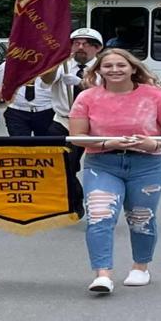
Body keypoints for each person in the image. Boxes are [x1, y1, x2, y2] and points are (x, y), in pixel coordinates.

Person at [66, 48, 161, 293]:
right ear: (98, 71)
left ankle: (140, 267)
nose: (115, 70)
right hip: (102, 164)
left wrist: (155, 143)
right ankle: (102, 274)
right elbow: (77, 136)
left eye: (121, 65)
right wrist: (107, 143)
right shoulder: (87, 97)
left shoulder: (155, 95)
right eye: (108, 66)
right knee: (100, 216)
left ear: (133, 68)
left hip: (146, 164)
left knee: (141, 217)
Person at [50, 27, 105, 216]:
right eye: (76, 43)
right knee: (62, 164)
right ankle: (73, 202)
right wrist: (50, 63)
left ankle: (92, 204)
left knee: (92, 167)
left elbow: (110, 94)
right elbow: (47, 80)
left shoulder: (105, 67)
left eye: (86, 44)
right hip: (64, 121)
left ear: (97, 48)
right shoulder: (63, 65)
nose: (80, 47)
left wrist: (82, 84)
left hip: (93, 124)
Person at [0, 58, 58, 137]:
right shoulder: (8, 65)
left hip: (46, 112)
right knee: (20, 145)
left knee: (46, 145)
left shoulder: (52, 65)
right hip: (17, 112)